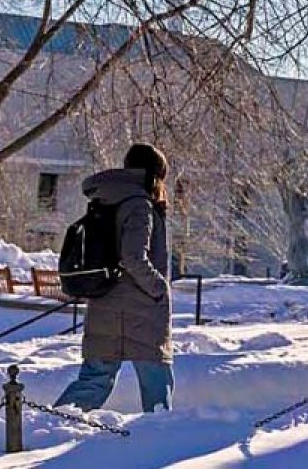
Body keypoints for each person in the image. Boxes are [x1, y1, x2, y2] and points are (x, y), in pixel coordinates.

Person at [55, 143, 174, 413]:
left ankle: (47, 426)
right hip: (139, 310)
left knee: (94, 380)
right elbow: (133, 257)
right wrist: (159, 288)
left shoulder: (105, 200)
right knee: (158, 383)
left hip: (104, 302)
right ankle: (159, 442)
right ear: (155, 175)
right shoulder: (140, 205)